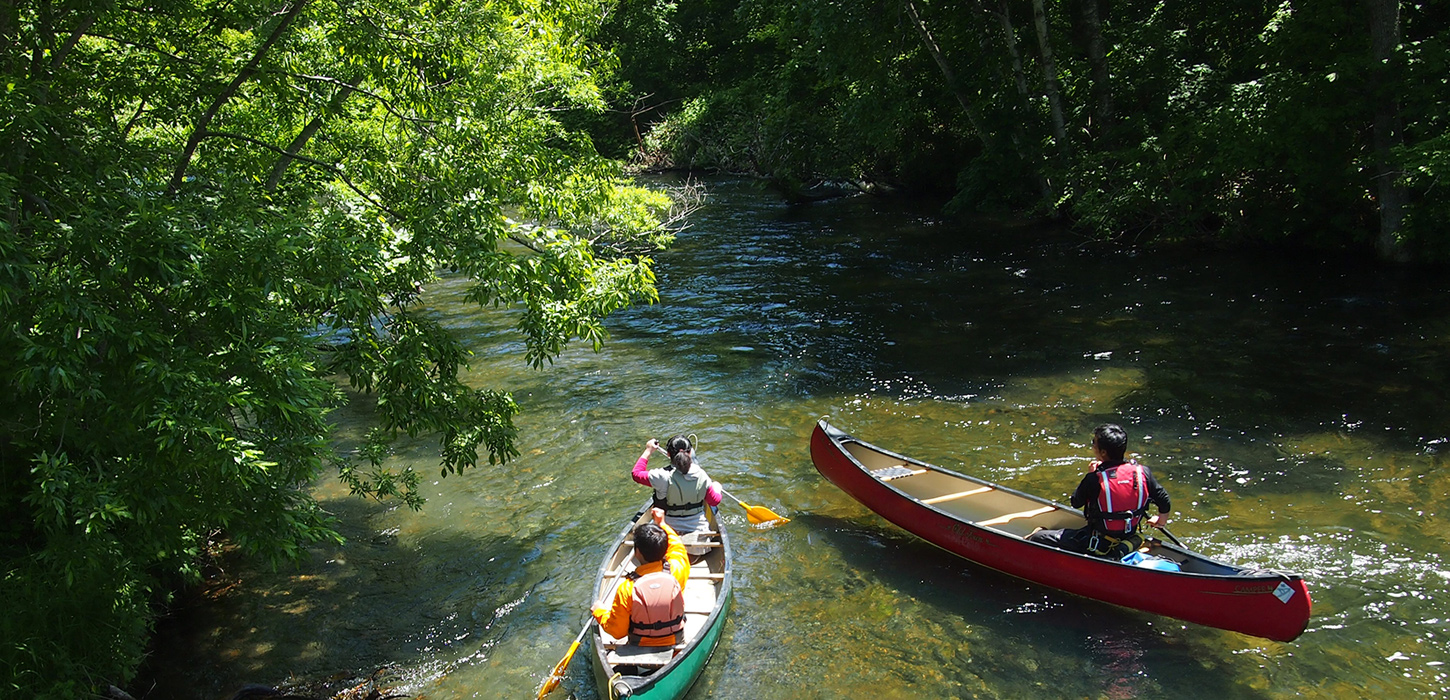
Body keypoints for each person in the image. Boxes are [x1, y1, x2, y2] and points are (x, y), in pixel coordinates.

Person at [1027, 423, 1171, 559]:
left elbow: (1076, 502)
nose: (1092, 446)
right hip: (1129, 536)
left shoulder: (1095, 478)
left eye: (1094, 443)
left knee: (1038, 537)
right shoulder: (1142, 473)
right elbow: (1163, 499)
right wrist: (1160, 521)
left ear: (1103, 452)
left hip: (1097, 542)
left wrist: (1091, 474)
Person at [591, 508, 690, 648]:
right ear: (665, 548)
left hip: (639, 645)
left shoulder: (627, 588)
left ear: (637, 552)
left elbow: (617, 632)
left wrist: (599, 611)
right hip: (675, 641)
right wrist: (662, 524)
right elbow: (677, 547)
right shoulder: (677, 569)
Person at [631, 435, 723, 534]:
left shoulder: (661, 476)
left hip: (667, 531)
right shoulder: (701, 475)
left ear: (668, 454)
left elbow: (636, 473)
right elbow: (714, 501)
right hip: (698, 530)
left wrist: (648, 450)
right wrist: (717, 487)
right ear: (690, 452)